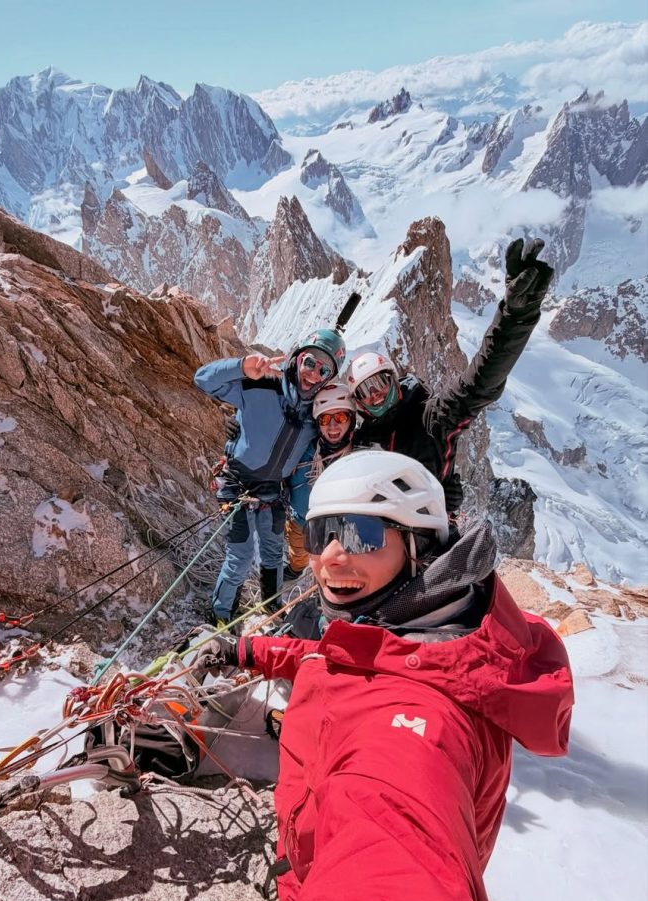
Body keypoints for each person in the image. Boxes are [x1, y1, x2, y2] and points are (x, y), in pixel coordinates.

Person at [190, 449, 574, 901]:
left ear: (417, 548)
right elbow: (349, 659)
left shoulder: (411, 728)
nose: (332, 557)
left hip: (329, 892)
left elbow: (394, 899)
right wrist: (252, 650)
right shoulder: (430, 635)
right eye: (320, 533)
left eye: (362, 533)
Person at [349, 237, 554, 517]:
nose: (374, 394)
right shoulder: (361, 441)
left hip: (429, 533)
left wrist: (516, 317)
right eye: (364, 391)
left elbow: (479, 382)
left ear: (394, 380)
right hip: (376, 536)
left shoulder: (432, 417)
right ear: (358, 403)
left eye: (379, 383)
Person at [194, 328, 345, 624]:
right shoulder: (260, 386)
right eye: (310, 362)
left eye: (324, 370)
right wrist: (241, 367)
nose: (314, 373)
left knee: (274, 555)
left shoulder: (314, 417)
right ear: (296, 359)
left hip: (273, 491)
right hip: (236, 483)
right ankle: (221, 615)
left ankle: (270, 609)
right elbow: (202, 380)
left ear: (329, 379)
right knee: (241, 556)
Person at [284, 382, 356, 580]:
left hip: (338, 527)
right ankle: (296, 569)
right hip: (300, 520)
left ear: (352, 419)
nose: (332, 426)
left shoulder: (360, 454)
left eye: (340, 417)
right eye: (325, 419)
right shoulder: (301, 448)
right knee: (298, 553)